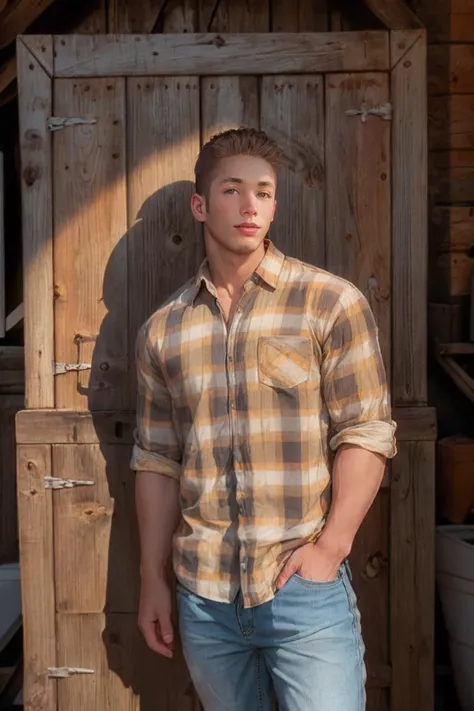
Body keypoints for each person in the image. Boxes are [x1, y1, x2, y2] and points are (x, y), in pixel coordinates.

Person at [130, 127, 397, 711]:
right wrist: (154, 578)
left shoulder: (329, 302)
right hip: (203, 596)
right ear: (201, 205)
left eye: (265, 192)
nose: (251, 206)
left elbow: (367, 431)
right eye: (232, 190)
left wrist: (331, 549)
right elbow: (156, 458)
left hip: (302, 589)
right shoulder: (164, 329)